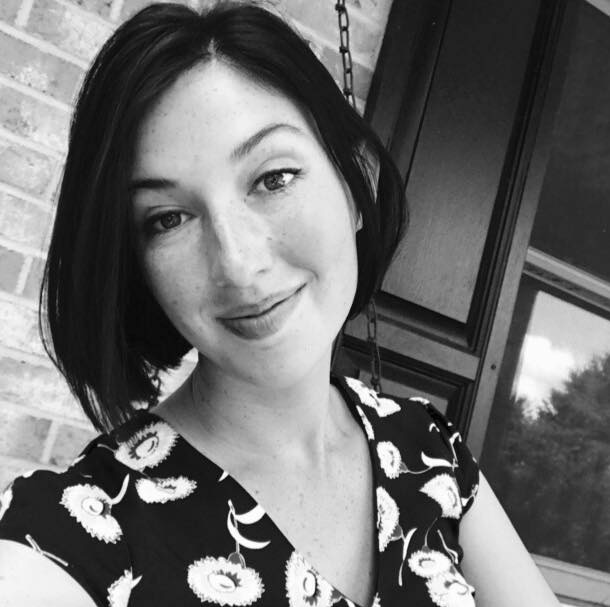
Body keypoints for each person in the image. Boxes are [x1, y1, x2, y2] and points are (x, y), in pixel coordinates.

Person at [0, 2, 560, 606]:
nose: (238, 264)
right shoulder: (77, 529)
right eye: (168, 219)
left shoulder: (429, 448)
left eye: (273, 179)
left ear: (357, 183)